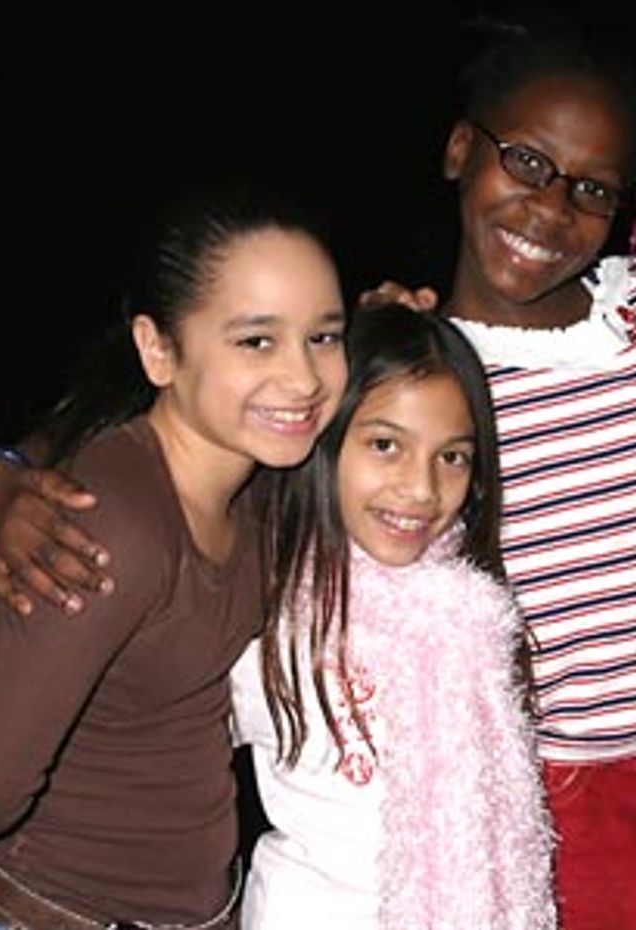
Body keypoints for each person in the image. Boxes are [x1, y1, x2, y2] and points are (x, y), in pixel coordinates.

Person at [0, 22, 636, 929]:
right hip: (578, 791)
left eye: (591, 188)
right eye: (527, 163)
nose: (550, 208)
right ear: (459, 150)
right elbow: (187, 415)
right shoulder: (414, 371)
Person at [0, 187, 349, 929]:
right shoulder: (118, 524)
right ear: (157, 349)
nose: (304, 377)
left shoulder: (257, 486)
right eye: (256, 341)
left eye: (324, 336)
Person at [232, 304, 553, 928]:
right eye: (385, 445)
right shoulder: (265, 606)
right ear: (324, 438)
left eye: (452, 457)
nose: (421, 489)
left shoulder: (470, 612)